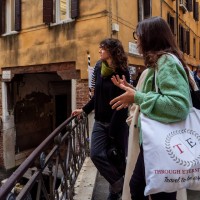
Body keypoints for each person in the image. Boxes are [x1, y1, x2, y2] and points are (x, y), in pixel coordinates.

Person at [110, 16, 192, 200]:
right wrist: (133, 91)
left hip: (163, 144)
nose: (136, 40)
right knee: (140, 186)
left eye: (138, 35)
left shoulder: (166, 62)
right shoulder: (158, 63)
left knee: (148, 189)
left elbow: (178, 105)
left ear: (149, 37)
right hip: (157, 143)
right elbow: (158, 93)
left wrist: (137, 96)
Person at [72, 38, 130, 200]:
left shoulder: (123, 72)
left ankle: (114, 194)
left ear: (112, 51)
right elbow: (97, 96)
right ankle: (120, 184)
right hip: (100, 122)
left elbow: (123, 103)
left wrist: (113, 131)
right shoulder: (99, 67)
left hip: (117, 124)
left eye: (102, 48)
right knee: (96, 153)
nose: (99, 51)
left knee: (117, 159)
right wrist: (83, 110)